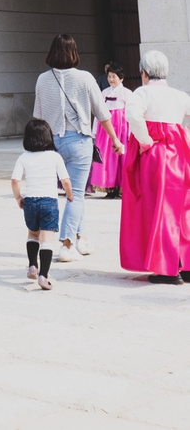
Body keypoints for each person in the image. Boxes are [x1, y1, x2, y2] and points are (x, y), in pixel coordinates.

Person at [33, 33, 123, 263]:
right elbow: (102, 114)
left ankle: (80, 237)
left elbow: (37, 117)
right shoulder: (85, 78)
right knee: (77, 195)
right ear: (74, 52)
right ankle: (66, 243)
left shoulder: (43, 79)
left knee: (72, 193)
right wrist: (115, 139)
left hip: (52, 143)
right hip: (79, 140)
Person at [120, 50, 190, 285]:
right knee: (183, 209)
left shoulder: (143, 92)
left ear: (144, 73)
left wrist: (145, 141)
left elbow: (133, 116)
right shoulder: (180, 95)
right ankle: (186, 264)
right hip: (180, 154)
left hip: (156, 156)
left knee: (159, 209)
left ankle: (166, 269)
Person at [11, 118, 73, 290]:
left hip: (30, 201)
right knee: (47, 239)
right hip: (49, 201)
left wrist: (18, 197)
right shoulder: (54, 156)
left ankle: (32, 266)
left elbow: (15, 180)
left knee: (32, 233)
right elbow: (66, 181)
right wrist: (70, 195)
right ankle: (43, 276)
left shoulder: (24, 157)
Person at [89, 63, 132, 198]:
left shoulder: (126, 93)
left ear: (121, 79)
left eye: (114, 77)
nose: (111, 79)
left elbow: (131, 114)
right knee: (108, 158)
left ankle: (123, 187)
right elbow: (98, 113)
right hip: (106, 130)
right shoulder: (104, 93)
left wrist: (131, 131)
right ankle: (110, 188)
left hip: (122, 128)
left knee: (122, 158)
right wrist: (94, 130)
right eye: (109, 76)